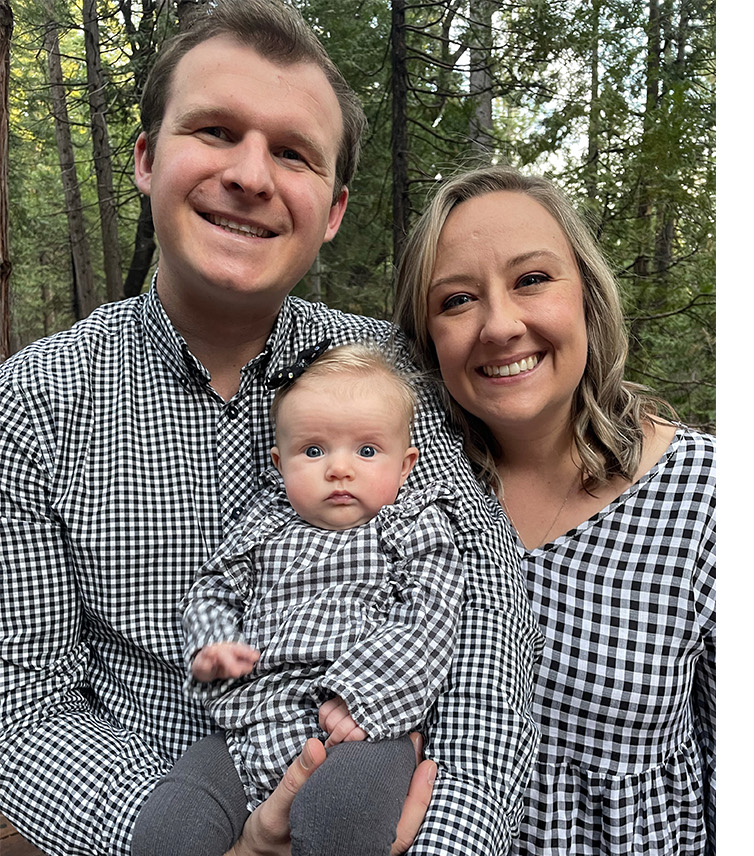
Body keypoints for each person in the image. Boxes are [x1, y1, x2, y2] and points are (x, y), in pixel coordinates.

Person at [0, 2, 539, 853]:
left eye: (293, 153)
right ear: (147, 158)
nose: (251, 175)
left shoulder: (390, 374)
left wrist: (448, 839)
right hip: (166, 805)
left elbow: (484, 616)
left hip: (372, 773)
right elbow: (25, 702)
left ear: (333, 208)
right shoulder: (36, 401)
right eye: (215, 131)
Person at [393, 165, 716, 854]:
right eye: (457, 300)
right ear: (426, 337)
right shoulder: (402, 494)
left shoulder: (707, 498)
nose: (500, 326)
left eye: (532, 279)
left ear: (587, 297)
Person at [130, 343, 463, 855]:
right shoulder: (264, 526)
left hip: (358, 726)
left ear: (405, 466)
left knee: (341, 821)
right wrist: (215, 644)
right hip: (249, 724)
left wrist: (364, 696)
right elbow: (213, 588)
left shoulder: (414, 525)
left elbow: (428, 618)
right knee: (166, 832)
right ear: (279, 463)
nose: (339, 469)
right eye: (313, 451)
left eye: (366, 451)